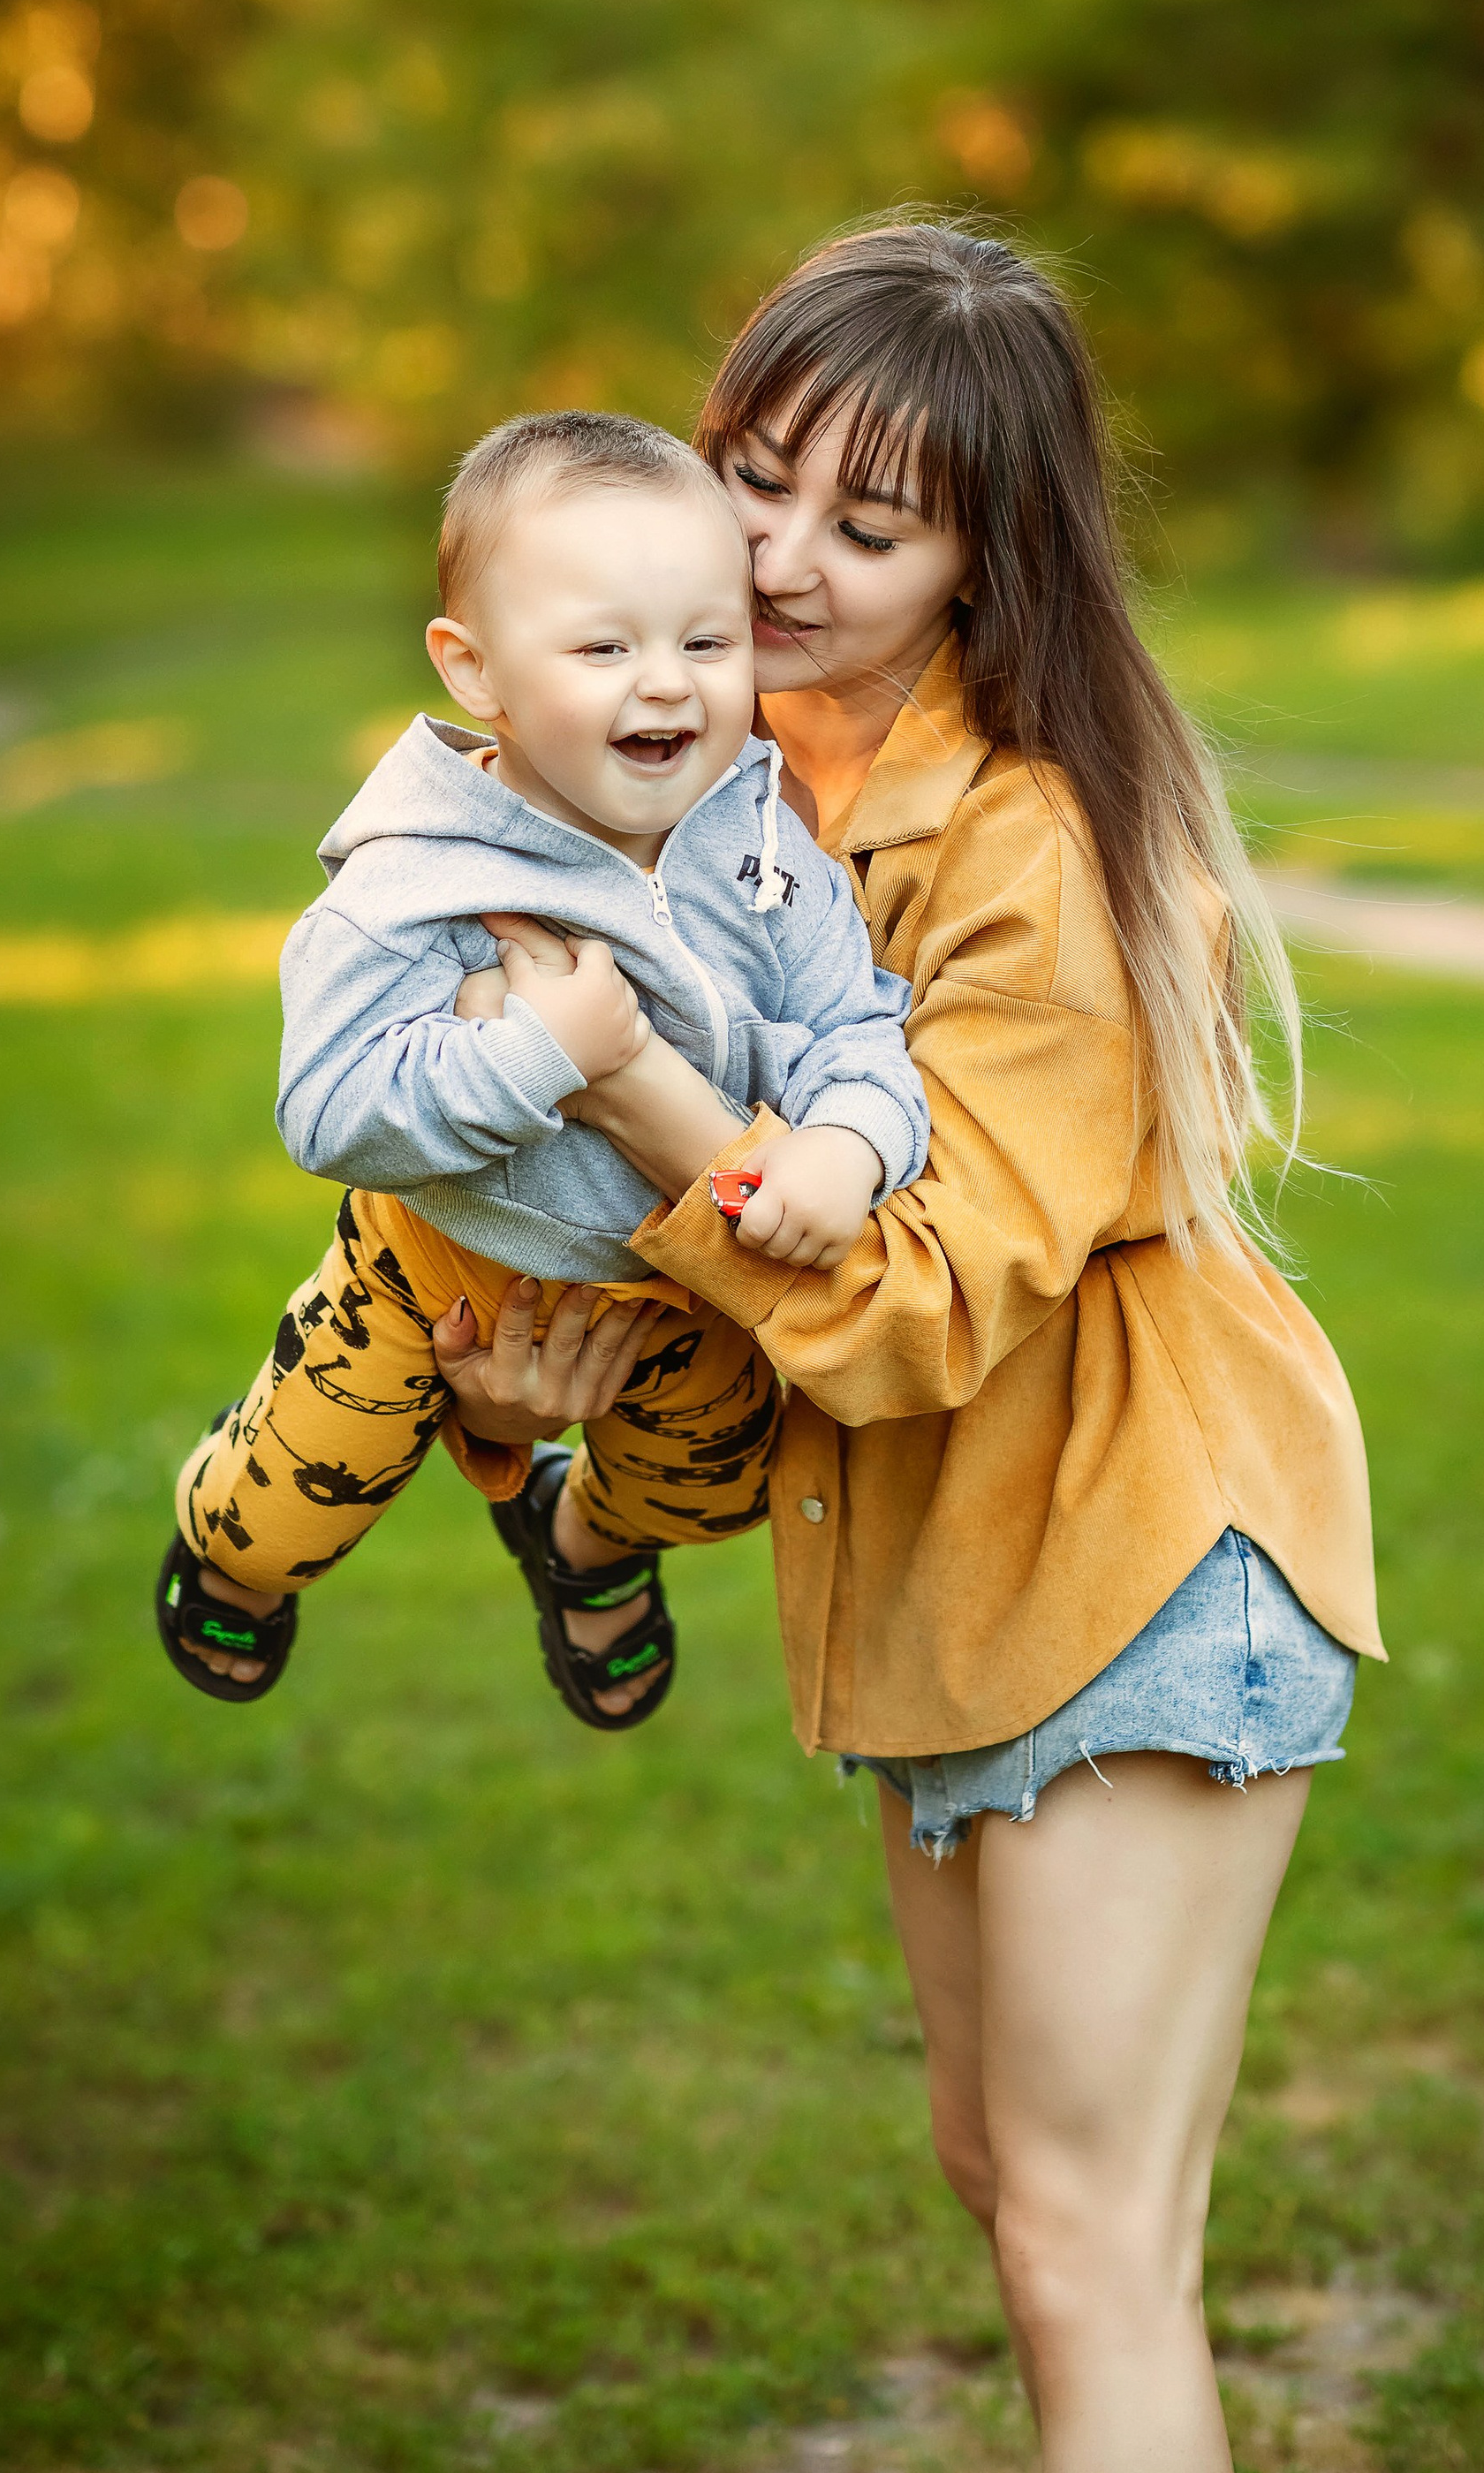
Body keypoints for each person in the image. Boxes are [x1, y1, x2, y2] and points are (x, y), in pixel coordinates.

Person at [438, 224, 1382, 2473]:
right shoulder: (730, 796)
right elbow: (670, 1284)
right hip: (957, 1595)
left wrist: (637, 1080)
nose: (775, 559)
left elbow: (915, 1311)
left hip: (1145, 1561)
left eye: (867, 527)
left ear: (985, 561)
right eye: (755, 479)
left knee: (1088, 2247)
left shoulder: (1021, 848)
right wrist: (520, 1426)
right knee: (1010, 2186)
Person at [155, 406, 928, 1726]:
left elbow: (857, 1026)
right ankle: (227, 1552)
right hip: (439, 1270)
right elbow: (328, 1107)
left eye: (707, 639)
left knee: (718, 1491)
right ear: (476, 670)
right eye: (604, 647)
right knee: (287, 1512)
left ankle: (592, 1537)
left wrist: (848, 1144)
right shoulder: (416, 877)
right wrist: (540, 1054)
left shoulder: (763, 849)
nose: (670, 683)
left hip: (674, 1282)